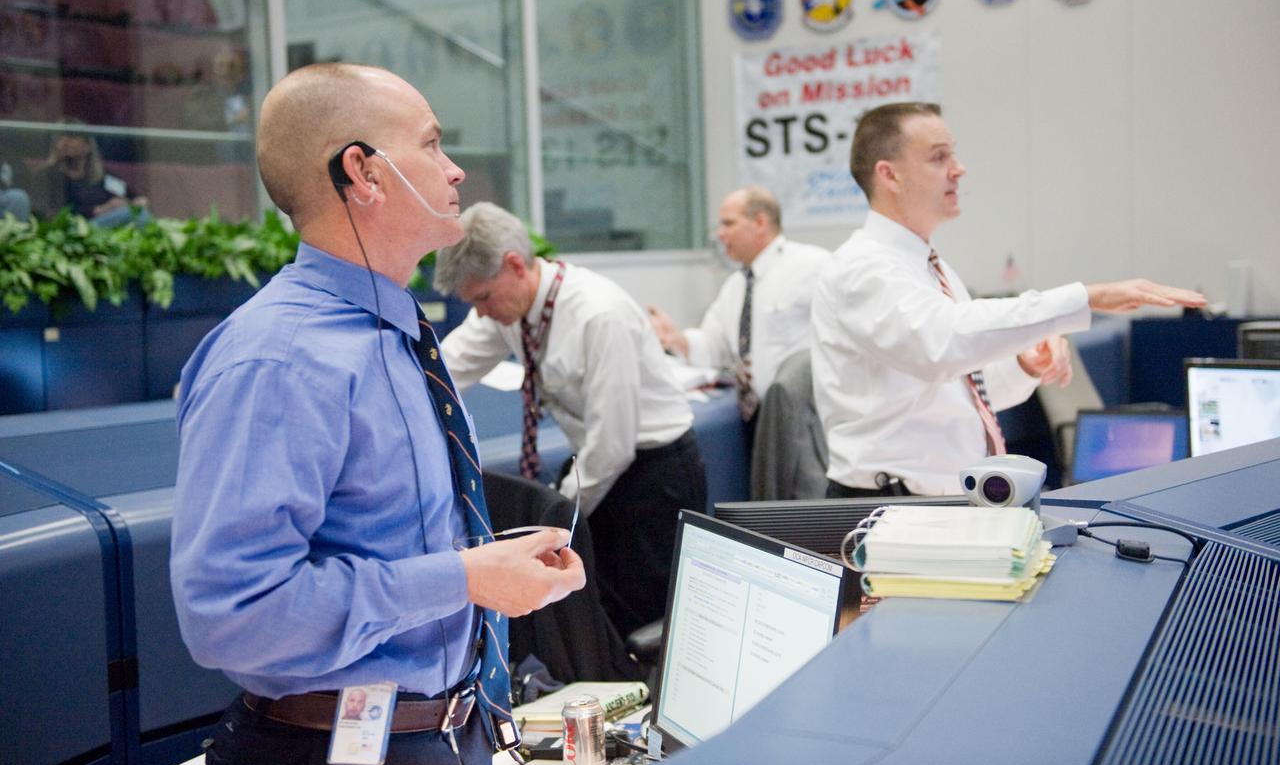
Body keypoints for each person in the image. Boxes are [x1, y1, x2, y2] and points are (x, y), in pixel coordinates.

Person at [170, 63, 585, 765]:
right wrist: (464, 578)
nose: (454, 171)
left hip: (446, 729)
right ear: (363, 171)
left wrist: (491, 568)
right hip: (335, 746)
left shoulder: (397, 334)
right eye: (431, 144)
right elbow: (231, 615)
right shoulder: (279, 358)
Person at [813, 102, 1206, 497]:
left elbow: (969, 390)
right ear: (889, 175)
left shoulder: (933, 268)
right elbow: (942, 345)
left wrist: (1023, 365)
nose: (958, 169)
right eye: (939, 157)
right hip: (886, 508)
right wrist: (1083, 298)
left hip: (942, 500)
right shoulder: (860, 268)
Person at [435, 202, 707, 638]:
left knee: (645, 622)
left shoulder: (598, 314)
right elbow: (448, 369)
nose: (481, 312)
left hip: (654, 475)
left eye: (483, 298)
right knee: (601, 614)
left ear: (514, 265)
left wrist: (555, 519)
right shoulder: (511, 311)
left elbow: (611, 445)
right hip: (602, 469)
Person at [647, 185, 830, 422]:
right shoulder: (736, 286)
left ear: (760, 222)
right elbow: (715, 347)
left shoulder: (813, 267)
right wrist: (677, 339)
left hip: (806, 418)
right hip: (755, 420)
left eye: (728, 223)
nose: (720, 234)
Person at [41, 125, 150, 226]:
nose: (65, 141)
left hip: (108, 226)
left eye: (72, 137)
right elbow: (55, 212)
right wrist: (101, 209)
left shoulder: (103, 176)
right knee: (135, 214)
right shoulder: (50, 175)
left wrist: (137, 201)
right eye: (60, 137)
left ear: (87, 146)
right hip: (77, 228)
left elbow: (131, 195)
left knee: (138, 212)